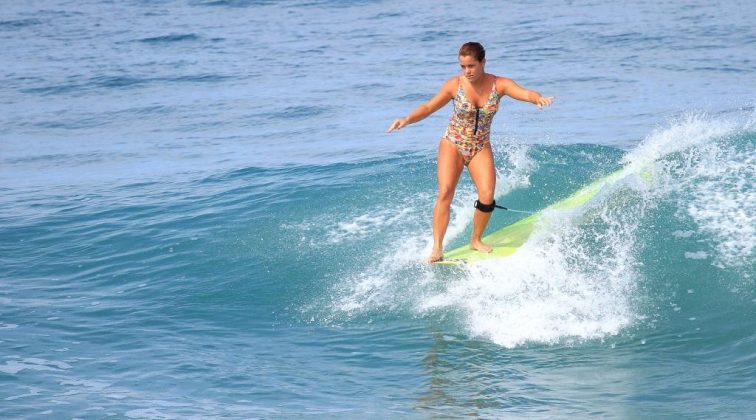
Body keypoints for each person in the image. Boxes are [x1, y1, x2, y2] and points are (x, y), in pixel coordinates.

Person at [387, 42, 553, 263]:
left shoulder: (498, 84)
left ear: (483, 62)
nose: (468, 71)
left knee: (487, 197)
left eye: (472, 65)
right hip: (453, 143)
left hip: (480, 146)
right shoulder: (454, 86)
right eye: (463, 66)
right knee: (445, 192)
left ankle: (475, 240)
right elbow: (428, 107)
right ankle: (437, 248)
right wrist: (407, 119)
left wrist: (537, 99)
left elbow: (524, 92)